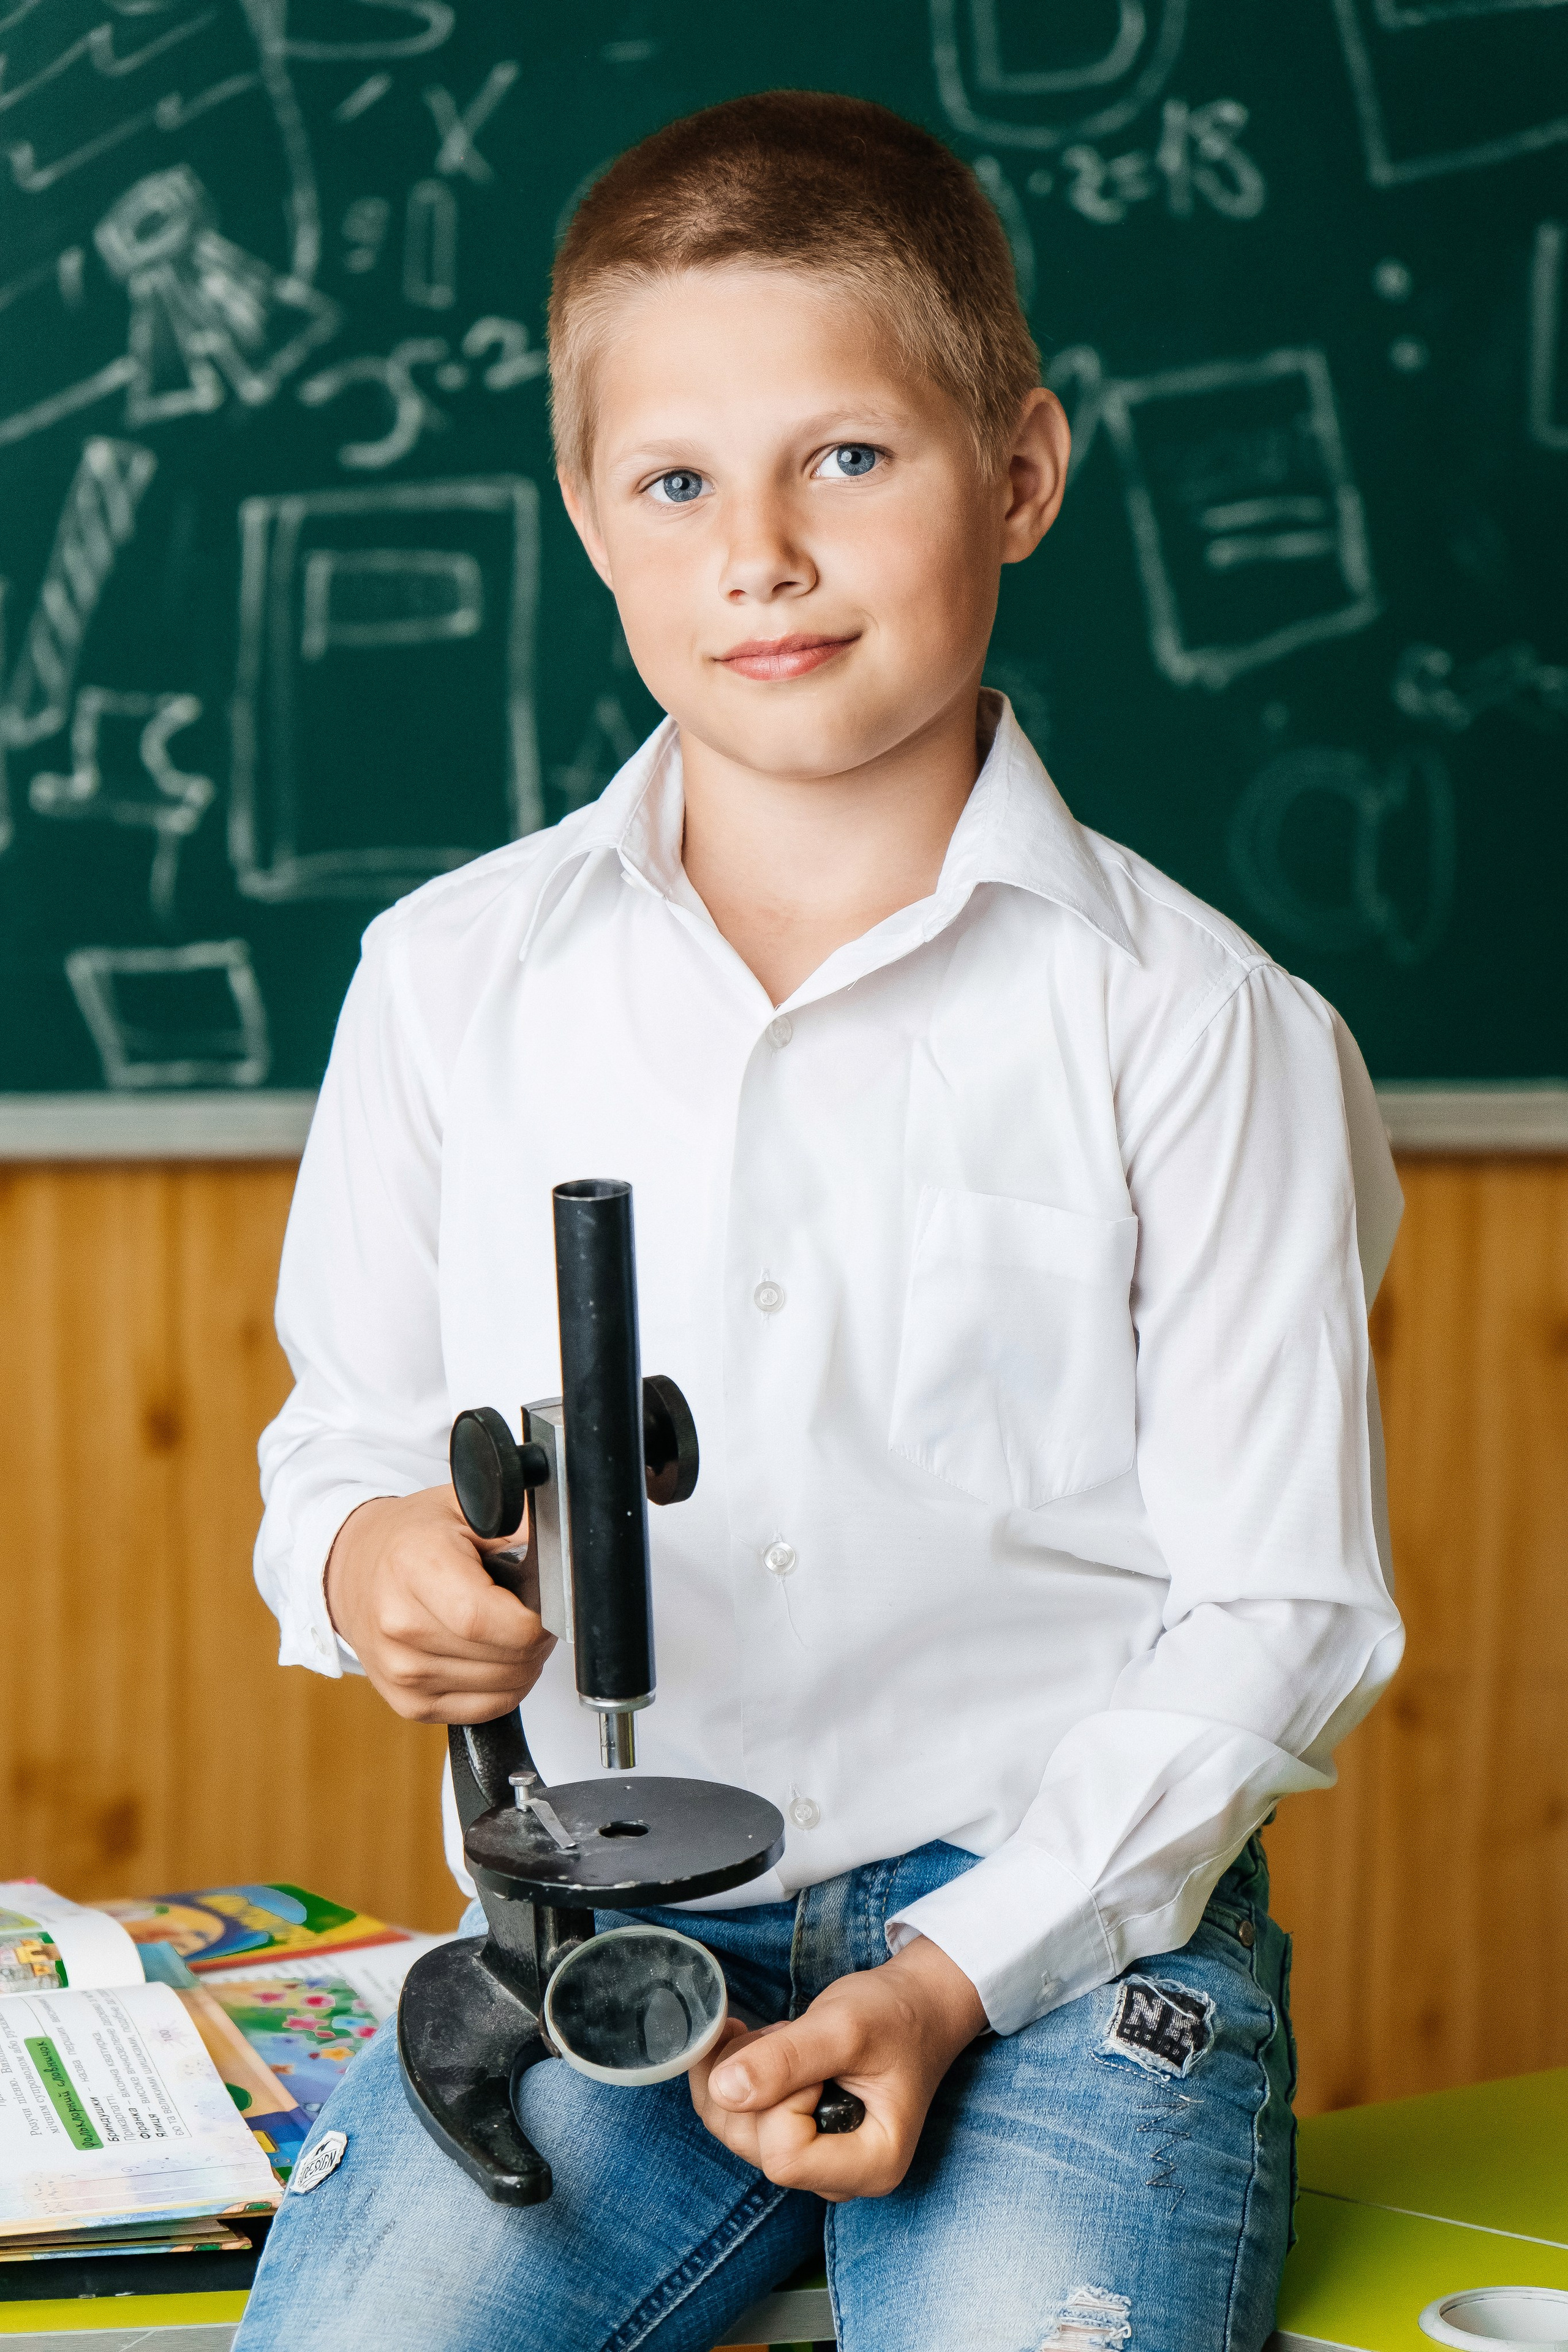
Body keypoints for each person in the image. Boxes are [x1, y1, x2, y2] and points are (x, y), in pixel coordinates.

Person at [236, 91, 1404, 2352]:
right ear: (590, 518)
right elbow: (337, 1444)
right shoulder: (450, 979)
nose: (757, 555)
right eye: (676, 483)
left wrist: (956, 1976)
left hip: (1056, 1936)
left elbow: (1282, 1605)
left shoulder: (1202, 1026)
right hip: (598, 1925)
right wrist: (369, 1561)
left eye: (846, 459)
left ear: (1021, 475)